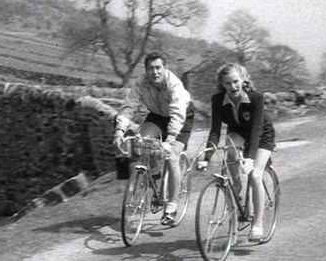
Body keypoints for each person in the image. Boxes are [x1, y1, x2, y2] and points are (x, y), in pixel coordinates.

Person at [113, 52, 194, 226]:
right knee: (142, 140)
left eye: (158, 67)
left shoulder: (175, 85)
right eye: (151, 68)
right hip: (157, 115)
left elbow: (178, 114)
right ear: (146, 70)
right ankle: (155, 176)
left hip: (182, 118)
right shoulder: (141, 83)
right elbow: (129, 106)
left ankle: (171, 207)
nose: (154, 72)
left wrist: (171, 138)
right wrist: (120, 130)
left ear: (165, 69)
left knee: (172, 157)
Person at [197, 63, 275, 241]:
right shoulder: (218, 99)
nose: (232, 87)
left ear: (243, 80)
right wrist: (206, 157)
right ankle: (237, 186)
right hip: (238, 131)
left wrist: (249, 158)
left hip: (262, 134)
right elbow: (215, 130)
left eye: (235, 81)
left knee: (255, 175)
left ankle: (257, 224)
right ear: (221, 84)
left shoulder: (256, 98)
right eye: (227, 83)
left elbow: (256, 129)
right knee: (229, 149)